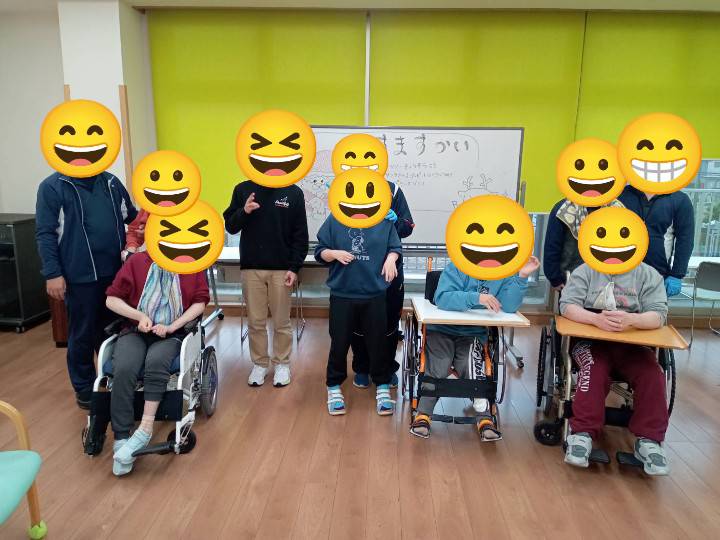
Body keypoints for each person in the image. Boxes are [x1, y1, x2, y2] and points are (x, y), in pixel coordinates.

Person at [36, 170, 137, 409]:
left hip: (115, 273)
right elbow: (46, 233)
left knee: (114, 330)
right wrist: (52, 273)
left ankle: (113, 380)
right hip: (79, 275)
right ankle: (84, 388)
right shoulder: (52, 187)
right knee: (82, 333)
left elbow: (132, 218)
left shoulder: (111, 182)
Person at [560, 260, 670, 476]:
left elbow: (659, 315)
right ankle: (582, 434)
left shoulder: (648, 274)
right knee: (593, 370)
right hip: (590, 340)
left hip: (632, 343)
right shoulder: (587, 270)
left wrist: (633, 319)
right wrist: (595, 319)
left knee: (652, 374)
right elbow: (567, 306)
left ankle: (649, 441)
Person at [409, 257, 539, 440]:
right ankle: (423, 413)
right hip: (441, 329)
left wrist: (522, 276)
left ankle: (484, 416)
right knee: (440, 362)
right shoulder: (457, 267)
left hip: (473, 332)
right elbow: (442, 297)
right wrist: (477, 297)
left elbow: (509, 307)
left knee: (470, 362)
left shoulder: (501, 273)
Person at [105, 251, 209, 476]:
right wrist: (139, 316)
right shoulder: (137, 261)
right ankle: (121, 436)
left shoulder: (191, 264)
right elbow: (111, 299)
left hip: (172, 333)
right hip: (136, 330)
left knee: (156, 361)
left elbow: (199, 303)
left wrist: (172, 326)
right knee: (124, 367)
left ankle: (145, 428)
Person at [224, 180, 309, 387]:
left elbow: (300, 233)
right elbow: (231, 226)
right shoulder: (242, 189)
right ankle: (259, 364)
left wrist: (294, 267)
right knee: (255, 321)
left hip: (282, 268)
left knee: (282, 321)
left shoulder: (293, 192)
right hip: (251, 266)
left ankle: (282, 364)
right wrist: (244, 211)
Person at [315, 215, 402, 416]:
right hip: (342, 294)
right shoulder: (336, 218)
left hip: (374, 294)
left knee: (378, 342)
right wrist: (334, 253)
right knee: (339, 343)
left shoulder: (383, 220)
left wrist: (391, 259)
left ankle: (382, 385)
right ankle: (333, 386)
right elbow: (320, 252)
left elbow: (395, 247)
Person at [351, 180, 414, 388]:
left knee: (389, 322)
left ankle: (387, 368)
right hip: (359, 267)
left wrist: (396, 221)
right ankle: (361, 368)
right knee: (358, 321)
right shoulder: (347, 186)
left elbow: (407, 226)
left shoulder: (393, 190)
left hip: (390, 268)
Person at [619, 185, 694, 298]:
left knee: (653, 309)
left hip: (658, 274)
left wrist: (677, 274)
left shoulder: (679, 199)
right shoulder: (620, 195)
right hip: (621, 273)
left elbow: (685, 239)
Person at [543, 197, 623, 291]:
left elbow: (552, 246)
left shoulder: (563, 208)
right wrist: (555, 278)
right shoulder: (618, 208)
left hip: (574, 278)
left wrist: (555, 279)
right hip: (601, 280)